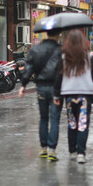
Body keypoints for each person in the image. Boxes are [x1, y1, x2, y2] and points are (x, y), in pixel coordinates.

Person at [54, 29, 93, 164]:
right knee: (83, 124)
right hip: (85, 94)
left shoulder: (63, 57)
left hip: (69, 95)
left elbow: (59, 77)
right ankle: (81, 153)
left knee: (72, 123)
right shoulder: (89, 57)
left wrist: (56, 95)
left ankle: (72, 151)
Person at [19, 30, 63, 162]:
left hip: (41, 88)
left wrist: (23, 85)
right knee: (54, 119)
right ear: (58, 35)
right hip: (56, 88)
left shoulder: (36, 49)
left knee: (44, 118)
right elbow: (63, 70)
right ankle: (52, 151)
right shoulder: (61, 50)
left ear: (46, 34)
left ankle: (43, 148)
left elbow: (29, 68)